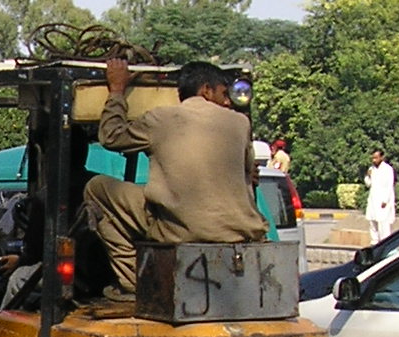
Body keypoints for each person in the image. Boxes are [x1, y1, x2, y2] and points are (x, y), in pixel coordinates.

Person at [84, 56, 268, 299]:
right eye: (224, 94)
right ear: (206, 90)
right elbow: (248, 174)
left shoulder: (159, 118)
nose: (227, 102)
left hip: (180, 231)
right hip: (240, 231)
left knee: (96, 188)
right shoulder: (240, 122)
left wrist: (117, 91)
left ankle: (134, 282)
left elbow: (110, 136)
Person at [365, 148, 397, 244]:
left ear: (382, 157)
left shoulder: (387, 169)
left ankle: (385, 243)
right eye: (373, 158)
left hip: (383, 201)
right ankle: (374, 242)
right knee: (372, 221)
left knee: (383, 223)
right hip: (373, 199)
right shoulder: (371, 169)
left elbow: (389, 185)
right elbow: (368, 184)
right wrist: (368, 176)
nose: (374, 160)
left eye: (376, 158)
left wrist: (385, 200)